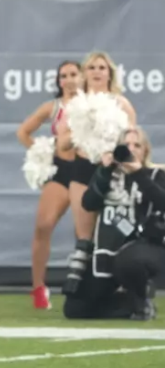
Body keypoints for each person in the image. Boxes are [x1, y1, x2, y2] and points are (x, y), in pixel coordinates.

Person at [63, 127, 165, 320]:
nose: (131, 149)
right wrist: (104, 171)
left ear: (145, 151)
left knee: (128, 260)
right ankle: (131, 305)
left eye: (137, 145)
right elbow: (88, 203)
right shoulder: (108, 175)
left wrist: (138, 173)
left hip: (147, 247)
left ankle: (140, 296)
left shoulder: (154, 175)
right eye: (126, 145)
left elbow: (162, 201)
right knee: (75, 309)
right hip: (108, 250)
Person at [57, 52, 137, 272]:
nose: (96, 72)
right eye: (91, 68)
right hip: (83, 170)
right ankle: (83, 292)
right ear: (84, 74)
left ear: (110, 74)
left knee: (118, 234)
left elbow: (133, 142)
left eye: (102, 68)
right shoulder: (75, 105)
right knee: (84, 241)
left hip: (116, 174)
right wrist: (84, 130)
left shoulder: (122, 103)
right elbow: (62, 144)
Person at [15, 60, 82, 310]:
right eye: (63, 75)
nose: (69, 79)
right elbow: (23, 132)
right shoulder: (53, 108)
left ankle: (89, 282)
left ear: (82, 76)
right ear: (59, 81)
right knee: (43, 225)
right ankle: (38, 287)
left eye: (73, 74)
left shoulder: (96, 104)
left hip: (87, 171)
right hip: (61, 171)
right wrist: (42, 151)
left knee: (85, 232)